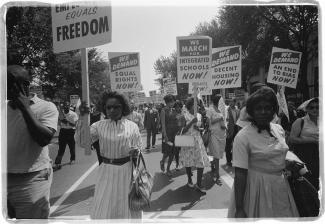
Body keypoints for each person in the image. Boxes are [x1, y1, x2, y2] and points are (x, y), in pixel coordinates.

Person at [228, 87, 299, 218]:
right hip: (256, 189)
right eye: (258, 108)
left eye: (268, 108)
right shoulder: (243, 137)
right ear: (251, 112)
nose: (263, 112)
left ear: (274, 110)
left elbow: (282, 153)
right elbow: (240, 175)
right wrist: (239, 208)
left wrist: (291, 163)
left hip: (280, 187)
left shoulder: (279, 129)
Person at [76, 91, 142, 219]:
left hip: (127, 171)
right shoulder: (98, 126)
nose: (112, 110)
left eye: (116, 107)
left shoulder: (132, 126)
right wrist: (82, 118)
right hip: (107, 171)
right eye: (108, 107)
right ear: (104, 109)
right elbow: (82, 142)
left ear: (123, 107)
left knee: (126, 207)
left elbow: (139, 146)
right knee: (104, 206)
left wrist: (136, 151)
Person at [7, 65, 59, 218]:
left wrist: (25, 108)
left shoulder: (46, 107)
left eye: (9, 83)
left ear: (24, 86)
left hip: (31, 180)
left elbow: (44, 139)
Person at [179, 97, 210, 193]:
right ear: (190, 105)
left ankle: (199, 184)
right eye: (195, 104)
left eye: (198, 105)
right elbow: (181, 131)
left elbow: (202, 128)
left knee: (201, 162)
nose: (197, 106)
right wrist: (191, 122)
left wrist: (199, 129)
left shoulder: (199, 115)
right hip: (186, 140)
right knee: (188, 162)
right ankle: (189, 179)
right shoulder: (184, 115)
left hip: (197, 141)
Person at [289, 97, 319, 191]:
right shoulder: (300, 121)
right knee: (309, 181)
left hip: (320, 155)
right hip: (306, 155)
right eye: (312, 107)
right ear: (307, 109)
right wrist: (310, 140)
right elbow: (292, 139)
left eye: (317, 107)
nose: (315, 109)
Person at [206, 95, 227, 183]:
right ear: (217, 101)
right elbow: (208, 122)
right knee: (217, 155)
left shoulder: (222, 109)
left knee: (217, 154)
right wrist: (218, 118)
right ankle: (217, 176)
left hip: (222, 135)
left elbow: (224, 121)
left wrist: (225, 127)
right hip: (214, 134)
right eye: (221, 100)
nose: (222, 102)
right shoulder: (210, 109)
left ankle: (213, 166)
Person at [53, 101, 78, 169]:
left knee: (71, 147)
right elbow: (58, 123)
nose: (66, 107)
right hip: (63, 131)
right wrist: (60, 121)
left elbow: (75, 125)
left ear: (69, 106)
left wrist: (67, 122)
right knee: (61, 148)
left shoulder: (73, 114)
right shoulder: (61, 114)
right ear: (63, 106)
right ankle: (57, 163)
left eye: (67, 105)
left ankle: (72, 159)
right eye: (64, 106)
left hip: (71, 131)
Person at [160, 94, 177, 176]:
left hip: (174, 135)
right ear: (168, 102)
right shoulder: (163, 111)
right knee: (166, 153)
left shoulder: (174, 110)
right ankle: (162, 161)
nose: (173, 103)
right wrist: (165, 136)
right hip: (167, 135)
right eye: (172, 101)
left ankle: (168, 169)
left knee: (172, 153)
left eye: (174, 101)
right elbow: (163, 125)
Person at [225, 98, 240, 167]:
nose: (231, 103)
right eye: (230, 102)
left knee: (236, 145)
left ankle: (234, 159)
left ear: (235, 102)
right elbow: (226, 120)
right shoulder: (226, 110)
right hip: (229, 130)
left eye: (232, 102)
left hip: (236, 129)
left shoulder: (237, 110)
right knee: (228, 145)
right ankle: (228, 161)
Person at [174, 100, 186, 171]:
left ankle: (184, 163)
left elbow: (186, 124)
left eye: (178, 107)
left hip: (183, 133)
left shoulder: (184, 113)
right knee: (176, 151)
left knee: (184, 150)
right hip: (176, 134)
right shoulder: (173, 114)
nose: (177, 108)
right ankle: (177, 164)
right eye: (176, 107)